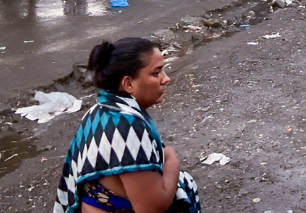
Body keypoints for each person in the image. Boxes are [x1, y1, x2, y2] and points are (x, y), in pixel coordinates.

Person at [54, 38, 200, 213]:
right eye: (156, 73)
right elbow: (153, 208)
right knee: (182, 182)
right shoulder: (127, 128)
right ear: (128, 83)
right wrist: (171, 158)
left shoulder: (99, 110)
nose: (166, 79)